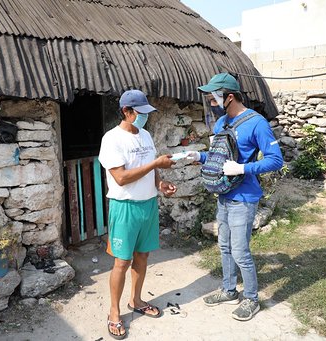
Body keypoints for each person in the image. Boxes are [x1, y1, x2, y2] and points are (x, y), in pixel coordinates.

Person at [189, 73, 283, 321]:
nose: (210, 100)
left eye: (213, 96)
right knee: (224, 246)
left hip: (244, 197)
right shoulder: (221, 124)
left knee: (240, 251)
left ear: (229, 97)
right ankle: (229, 290)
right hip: (224, 194)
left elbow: (276, 160)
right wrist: (199, 157)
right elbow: (218, 156)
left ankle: (251, 299)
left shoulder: (257, 123)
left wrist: (243, 168)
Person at [98, 89, 177, 339]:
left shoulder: (145, 135)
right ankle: (114, 312)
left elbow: (150, 166)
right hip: (125, 208)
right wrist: (155, 165)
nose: (144, 118)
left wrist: (159, 183)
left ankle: (137, 300)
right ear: (126, 112)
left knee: (142, 257)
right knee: (122, 261)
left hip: (148, 205)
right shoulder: (112, 139)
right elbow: (120, 178)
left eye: (146, 113)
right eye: (139, 113)